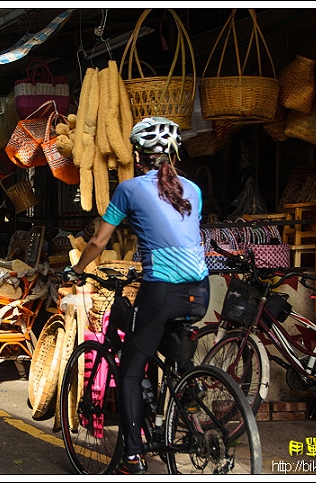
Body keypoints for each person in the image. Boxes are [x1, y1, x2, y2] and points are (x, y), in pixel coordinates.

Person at [65, 117, 210, 475]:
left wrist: (78, 270)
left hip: (161, 290)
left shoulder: (129, 189)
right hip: (200, 290)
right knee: (170, 349)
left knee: (130, 371)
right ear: (174, 154)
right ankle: (188, 398)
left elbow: (99, 241)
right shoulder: (193, 189)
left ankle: (132, 455)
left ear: (137, 155)